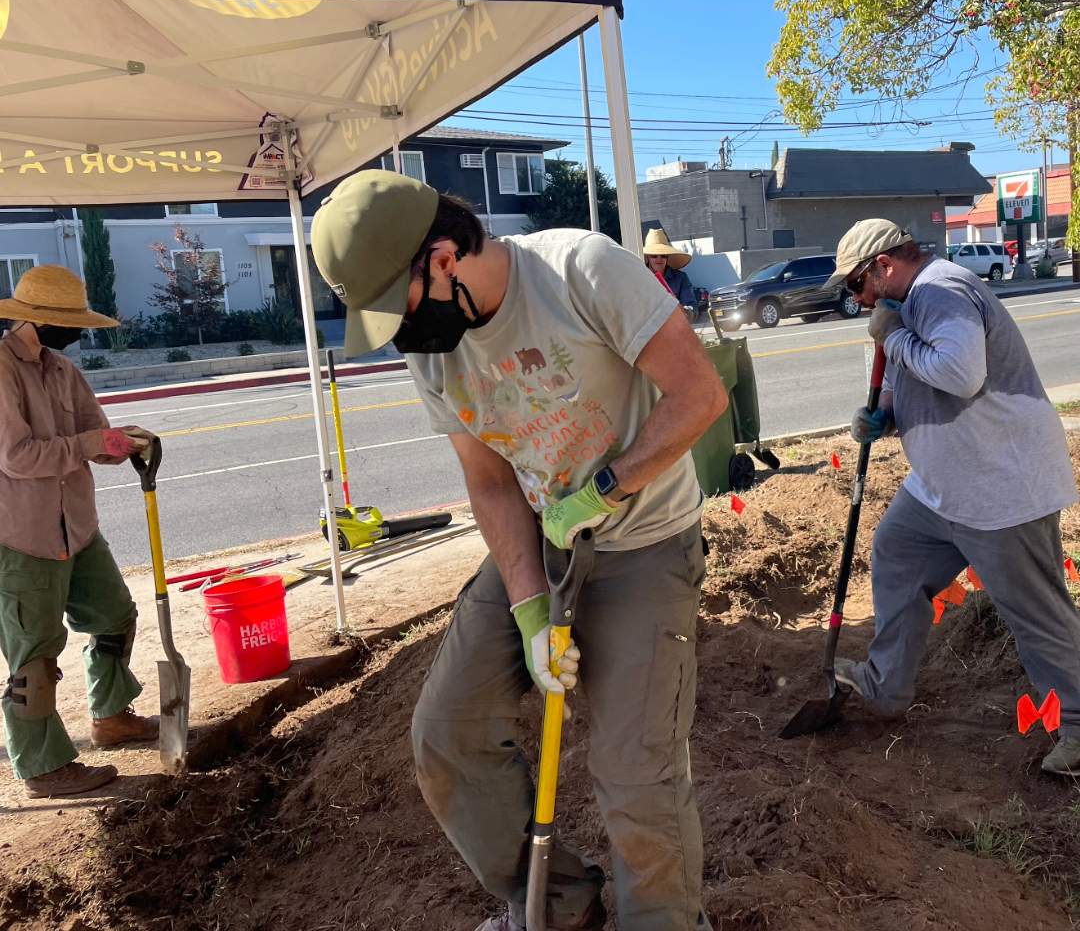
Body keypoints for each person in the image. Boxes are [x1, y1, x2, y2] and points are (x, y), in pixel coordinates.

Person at [312, 172, 728, 931]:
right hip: (540, 534)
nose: (399, 334)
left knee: (637, 777)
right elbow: (492, 483)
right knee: (448, 734)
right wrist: (532, 611)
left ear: (442, 258)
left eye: (394, 308)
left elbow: (699, 395)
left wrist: (606, 487)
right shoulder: (433, 347)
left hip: (644, 542)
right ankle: (561, 907)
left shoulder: (581, 271)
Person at [829, 219, 1080, 776]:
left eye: (856, 284)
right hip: (943, 485)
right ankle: (884, 686)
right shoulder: (904, 307)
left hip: (1001, 484)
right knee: (895, 557)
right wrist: (882, 417)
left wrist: (890, 336)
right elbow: (907, 381)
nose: (859, 298)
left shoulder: (941, 290)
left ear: (884, 266)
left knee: (1036, 614)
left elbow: (960, 373)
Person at [0, 265, 159, 799]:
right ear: (37, 320)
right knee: (35, 657)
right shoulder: (1, 370)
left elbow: (94, 434)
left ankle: (111, 716)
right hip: (21, 536)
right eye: (70, 324)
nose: (79, 333)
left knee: (114, 615)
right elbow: (17, 458)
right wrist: (92, 445)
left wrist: (125, 444)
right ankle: (42, 767)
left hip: (78, 527)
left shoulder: (64, 368)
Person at [642, 228, 698, 315]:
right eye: (654, 255)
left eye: (663, 255)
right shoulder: (640, 278)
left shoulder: (681, 278)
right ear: (647, 257)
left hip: (676, 325)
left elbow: (691, 305)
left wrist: (686, 312)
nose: (659, 259)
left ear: (667, 257)